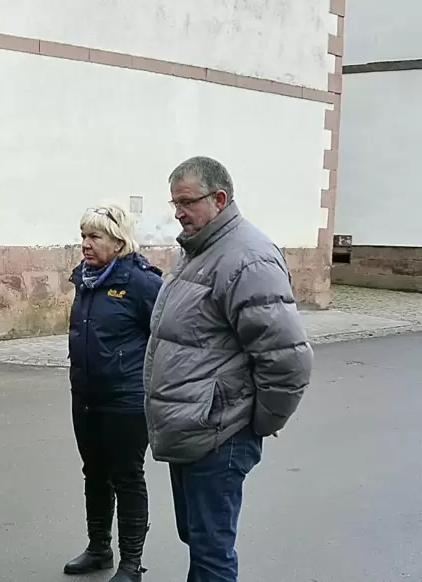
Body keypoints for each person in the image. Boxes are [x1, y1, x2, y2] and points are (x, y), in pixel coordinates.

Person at [145, 156, 312, 582]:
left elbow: (287, 358)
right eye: (174, 203)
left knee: (211, 553)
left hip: (219, 432)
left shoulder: (247, 258)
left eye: (186, 202)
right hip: (192, 426)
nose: (178, 212)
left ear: (219, 199)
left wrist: (256, 423)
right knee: (199, 541)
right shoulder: (200, 248)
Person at [63, 205, 163, 582]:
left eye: (95, 237)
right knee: (94, 473)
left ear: (118, 241)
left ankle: (131, 563)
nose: (85, 244)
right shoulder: (85, 279)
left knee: (127, 476)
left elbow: (166, 338)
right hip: (86, 394)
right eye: (83, 235)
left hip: (126, 399)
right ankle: (98, 548)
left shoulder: (141, 282)